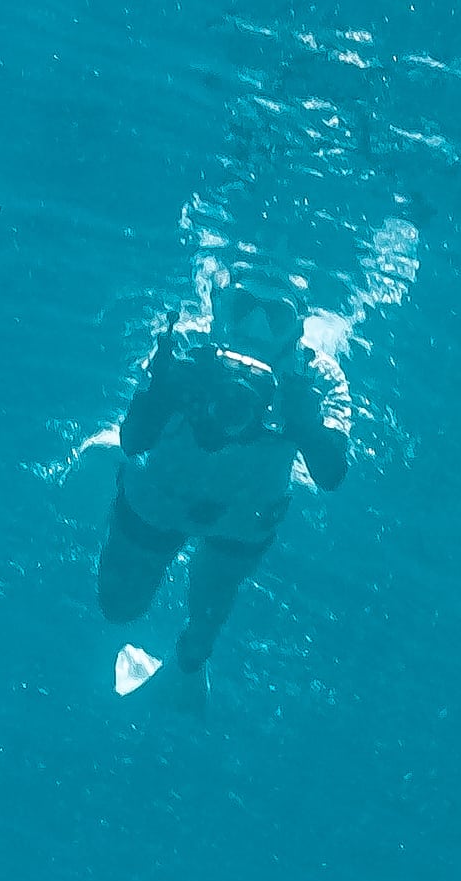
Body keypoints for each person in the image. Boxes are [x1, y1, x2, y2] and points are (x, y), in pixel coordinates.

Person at [98, 291, 351, 694]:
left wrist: (305, 423)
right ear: (218, 305)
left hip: (233, 516)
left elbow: (331, 474)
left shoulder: (314, 376)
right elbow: (134, 439)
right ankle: (173, 671)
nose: (255, 326)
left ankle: (185, 670)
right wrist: (164, 388)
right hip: (177, 500)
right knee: (116, 605)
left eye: (274, 315)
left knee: (201, 634)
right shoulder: (184, 346)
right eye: (243, 306)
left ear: (299, 326)